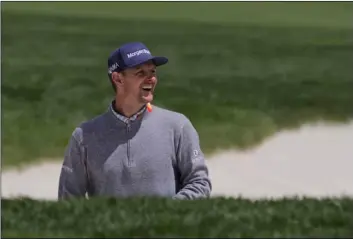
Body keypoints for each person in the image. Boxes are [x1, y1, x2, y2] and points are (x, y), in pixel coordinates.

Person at [58, 42, 212, 200]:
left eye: (152, 72)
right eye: (140, 73)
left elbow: (200, 184)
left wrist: (164, 214)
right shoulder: (84, 137)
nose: (151, 79)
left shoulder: (178, 126)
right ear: (118, 79)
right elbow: (69, 201)